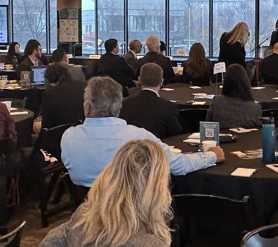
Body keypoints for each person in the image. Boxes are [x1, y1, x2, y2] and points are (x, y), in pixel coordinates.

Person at [61, 76, 223, 187]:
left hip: (84, 215)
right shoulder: (138, 137)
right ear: (118, 107)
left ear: (87, 107)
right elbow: (179, 166)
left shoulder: (68, 137)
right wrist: (212, 155)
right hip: (130, 219)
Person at [41, 140, 173, 247]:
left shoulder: (82, 215)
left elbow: (50, 242)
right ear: (157, 189)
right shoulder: (150, 243)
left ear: (110, 174)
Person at [120, 64, 181, 139]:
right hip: (159, 148)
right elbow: (176, 135)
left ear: (139, 80)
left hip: (131, 148)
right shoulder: (169, 107)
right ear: (161, 82)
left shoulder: (124, 104)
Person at [206, 64, 262, 129]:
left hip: (220, 138)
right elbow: (258, 133)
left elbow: (207, 126)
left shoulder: (216, 102)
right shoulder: (255, 108)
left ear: (226, 82)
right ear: (246, 82)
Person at [40, 63, 85, 129]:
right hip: (83, 129)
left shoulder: (50, 94)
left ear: (50, 79)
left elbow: (47, 123)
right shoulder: (84, 85)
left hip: (59, 133)